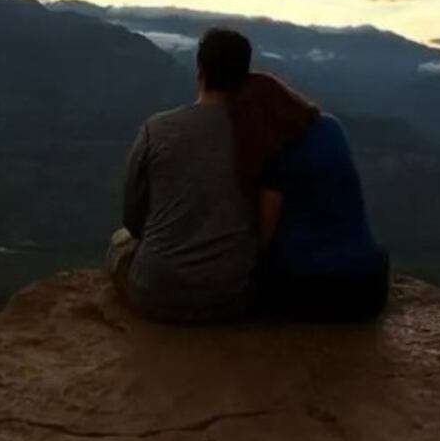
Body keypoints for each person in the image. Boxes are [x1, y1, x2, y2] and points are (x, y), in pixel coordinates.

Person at [108, 28, 261, 322]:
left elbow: (132, 218)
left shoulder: (158, 128)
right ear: (244, 78)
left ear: (199, 70)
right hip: (233, 297)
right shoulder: (259, 135)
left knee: (121, 242)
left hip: (157, 294)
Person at [229, 73, 389, 322]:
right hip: (369, 288)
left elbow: (264, 237)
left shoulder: (277, 153)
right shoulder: (330, 127)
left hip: (312, 289)